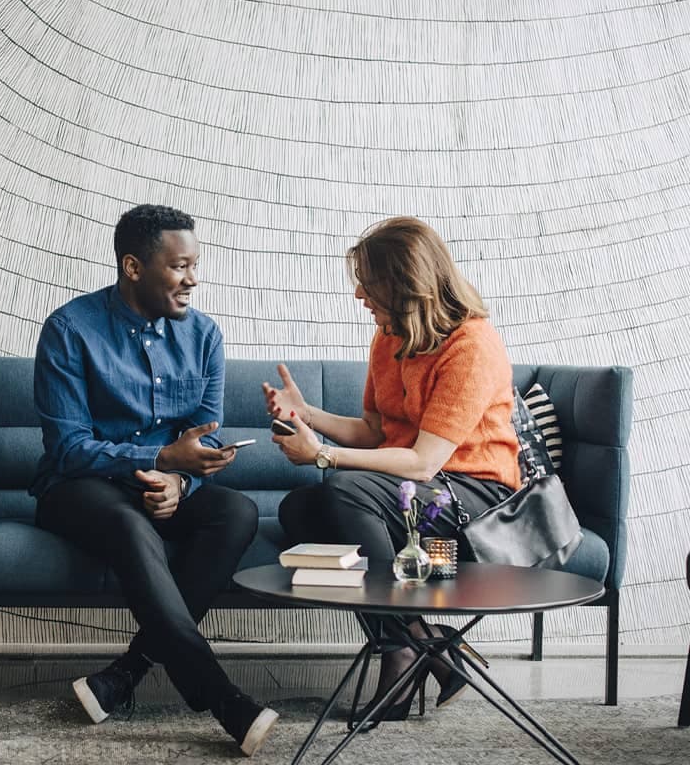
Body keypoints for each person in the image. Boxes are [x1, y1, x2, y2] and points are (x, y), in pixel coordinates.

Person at [30, 204, 279, 756]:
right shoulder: (70, 330)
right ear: (133, 266)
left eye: (195, 265)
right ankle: (222, 699)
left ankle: (126, 672)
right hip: (79, 488)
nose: (193, 279)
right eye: (179, 266)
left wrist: (181, 482)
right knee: (127, 521)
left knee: (236, 511)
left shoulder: (205, 335)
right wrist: (163, 458)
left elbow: (207, 436)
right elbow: (69, 449)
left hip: (165, 482)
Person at [263, 215, 520, 726]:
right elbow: (375, 432)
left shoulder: (472, 345)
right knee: (301, 510)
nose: (359, 293)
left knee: (343, 491)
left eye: (370, 281)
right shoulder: (390, 336)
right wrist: (306, 414)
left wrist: (321, 455)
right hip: (411, 487)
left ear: (407, 283)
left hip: (473, 492)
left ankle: (399, 653)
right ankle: (422, 641)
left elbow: (424, 461)